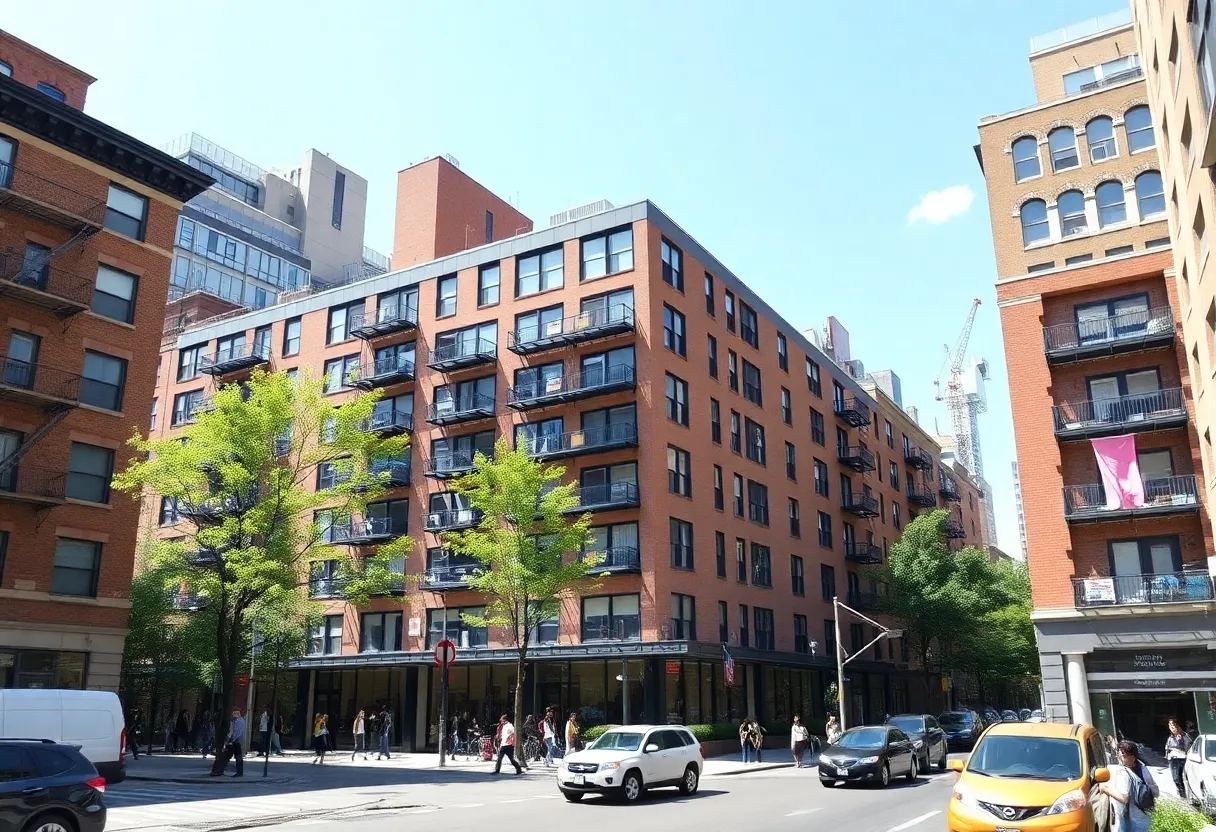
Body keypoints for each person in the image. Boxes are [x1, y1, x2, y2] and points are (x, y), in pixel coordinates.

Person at [1098, 740, 1158, 832]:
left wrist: (1106, 789)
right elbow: (1155, 791)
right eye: (1119, 753)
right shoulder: (1142, 768)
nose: (1119, 756)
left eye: (1123, 754)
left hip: (1130, 817)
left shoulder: (1124, 773)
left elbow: (1124, 798)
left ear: (1132, 757)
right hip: (1144, 815)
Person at [211, 708, 245, 777]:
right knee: (229, 756)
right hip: (232, 741)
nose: (233, 715)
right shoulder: (234, 721)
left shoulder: (239, 722)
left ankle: (239, 772)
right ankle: (221, 770)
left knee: (235, 756)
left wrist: (231, 739)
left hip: (235, 741)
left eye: (235, 713)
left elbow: (237, 732)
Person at [1166, 718, 1191, 799]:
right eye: (1170, 726)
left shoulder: (1184, 737)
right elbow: (1167, 747)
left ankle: (1185, 796)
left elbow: (1187, 748)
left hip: (1182, 759)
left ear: (1178, 726)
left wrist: (1180, 741)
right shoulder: (1171, 737)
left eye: (1173, 725)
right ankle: (1182, 795)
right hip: (1173, 759)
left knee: (1182, 778)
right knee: (1176, 779)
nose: (1171, 728)